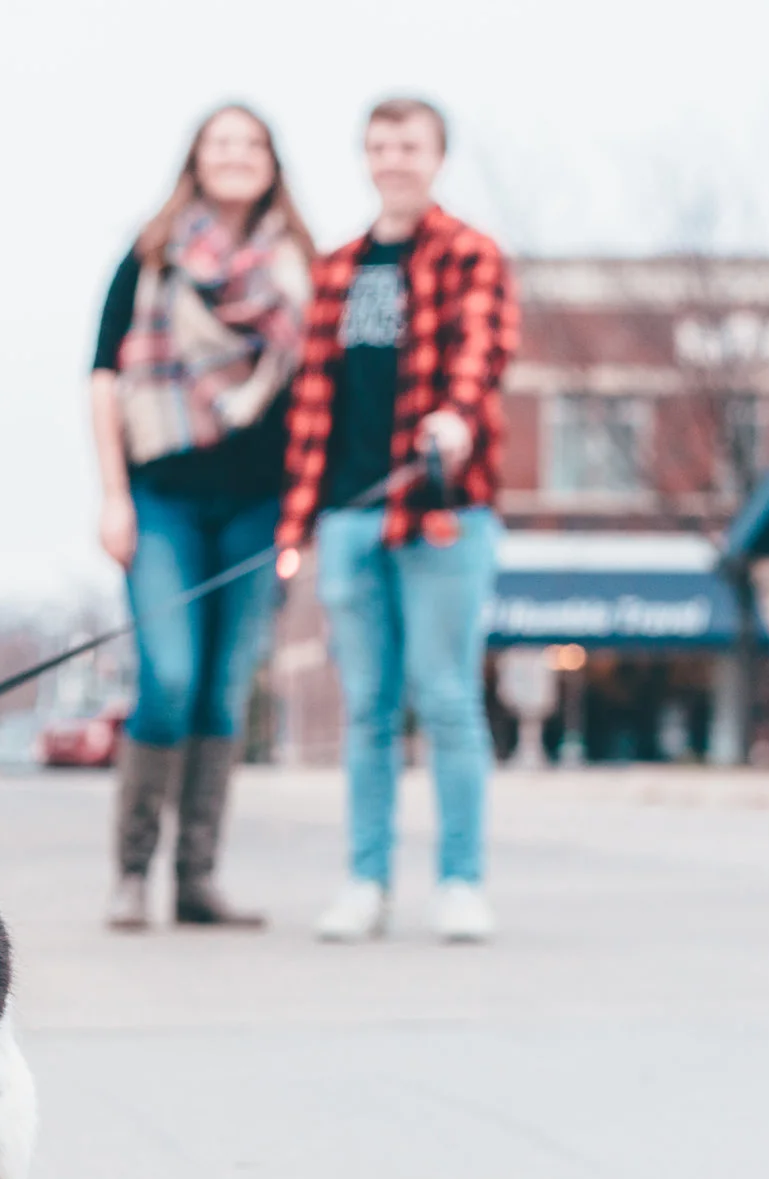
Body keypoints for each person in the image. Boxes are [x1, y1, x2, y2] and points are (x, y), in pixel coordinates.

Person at [272, 96, 518, 944]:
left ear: (437, 155)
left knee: (447, 699)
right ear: (366, 158)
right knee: (367, 709)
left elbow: (484, 356)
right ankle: (365, 883)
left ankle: (459, 882)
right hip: (347, 520)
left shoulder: (470, 255)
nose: (394, 159)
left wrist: (455, 416)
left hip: (442, 512)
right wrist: (296, 525)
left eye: (409, 144)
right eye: (380, 145)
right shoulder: (337, 269)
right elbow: (311, 406)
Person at [88, 105, 314, 932]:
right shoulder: (152, 255)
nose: (237, 155)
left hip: (260, 504)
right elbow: (104, 379)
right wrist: (113, 497)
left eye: (253, 142)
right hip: (163, 496)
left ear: (271, 162)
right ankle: (131, 873)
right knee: (171, 677)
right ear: (197, 159)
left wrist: (304, 511)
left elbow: (312, 392)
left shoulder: (299, 268)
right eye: (222, 142)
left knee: (224, 693)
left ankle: (196, 881)